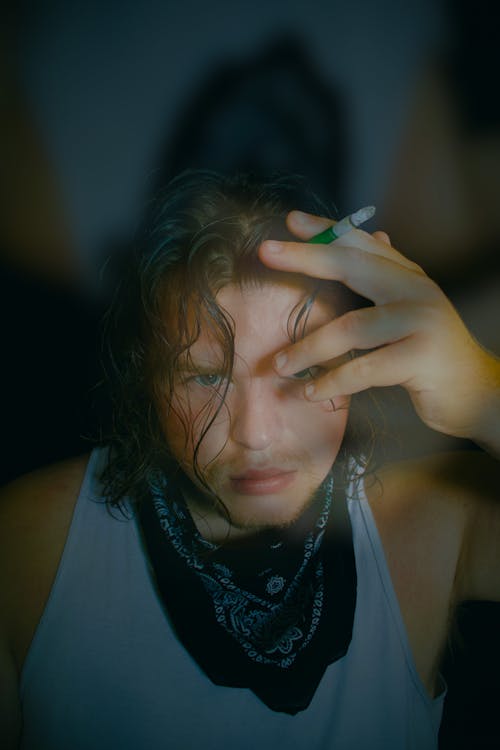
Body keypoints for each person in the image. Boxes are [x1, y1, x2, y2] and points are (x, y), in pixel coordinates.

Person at [1, 170, 499, 749]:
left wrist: (485, 396)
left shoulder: (438, 522)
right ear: (146, 379)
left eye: (305, 367)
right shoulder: (23, 549)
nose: (256, 434)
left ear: (362, 353)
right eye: (205, 377)